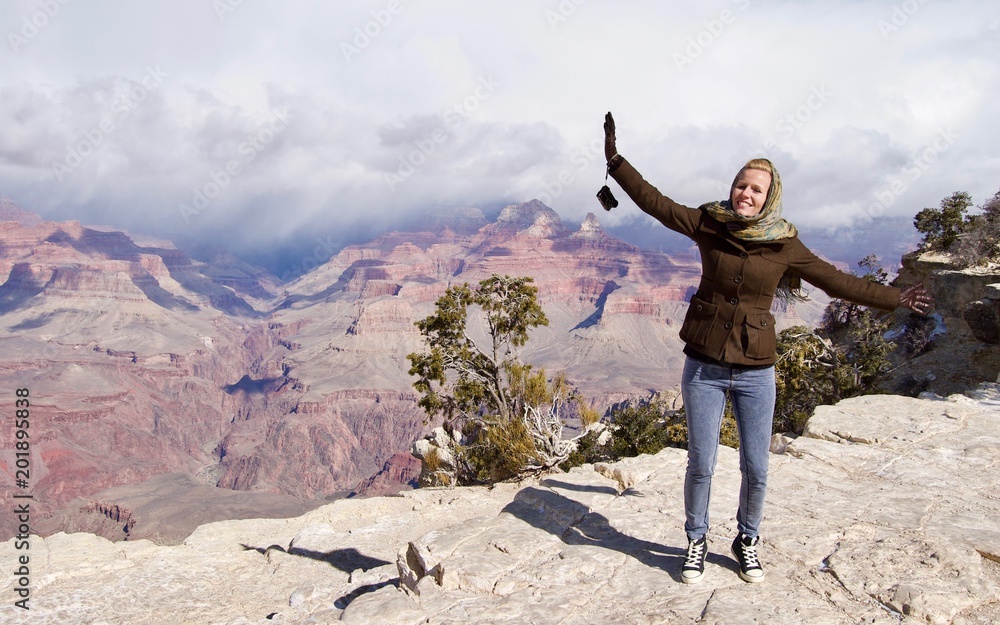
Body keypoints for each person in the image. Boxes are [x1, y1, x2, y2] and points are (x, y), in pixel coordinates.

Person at [601, 112, 933, 584]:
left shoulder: (784, 243)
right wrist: (616, 162)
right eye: (741, 185)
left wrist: (894, 298)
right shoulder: (709, 223)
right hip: (704, 364)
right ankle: (696, 539)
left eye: (756, 189)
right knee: (702, 462)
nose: (746, 194)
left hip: (756, 368)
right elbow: (657, 203)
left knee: (756, 466)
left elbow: (835, 281)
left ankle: (747, 539)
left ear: (769, 197)